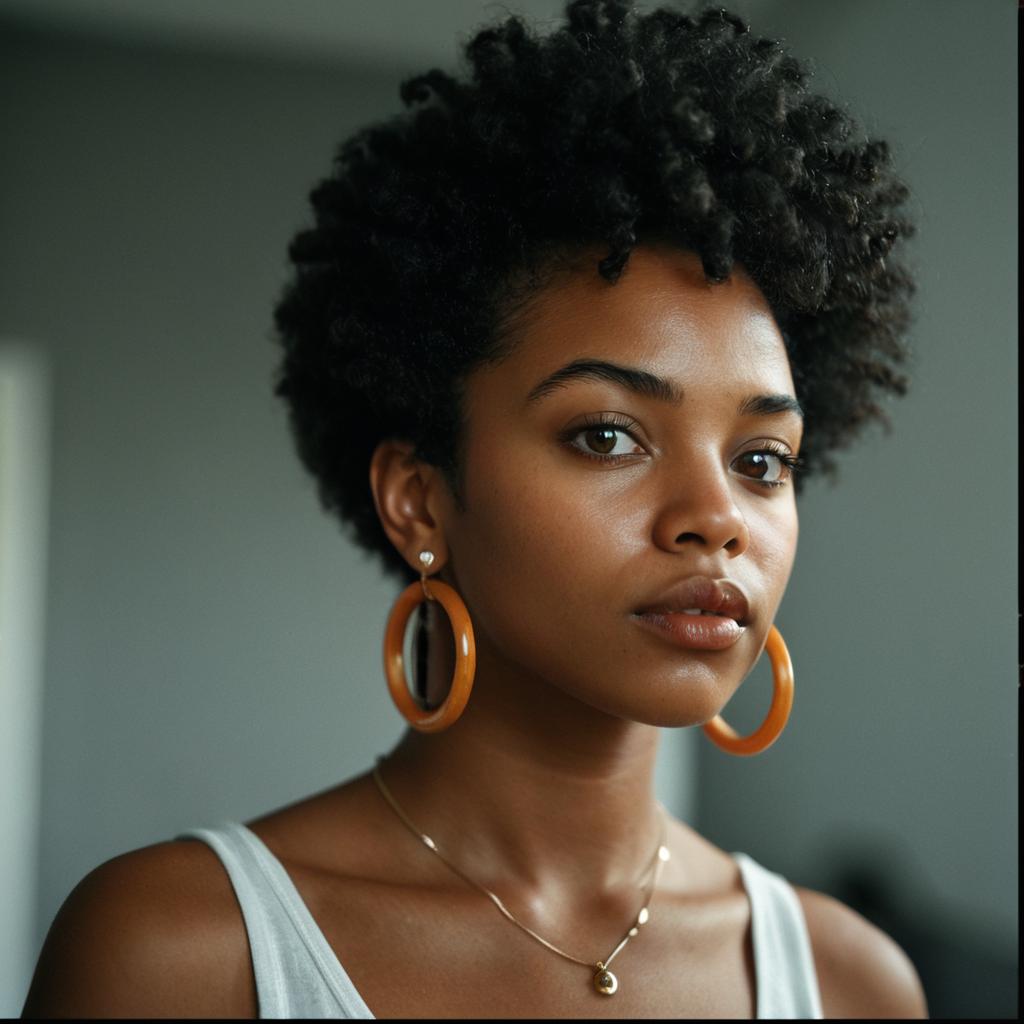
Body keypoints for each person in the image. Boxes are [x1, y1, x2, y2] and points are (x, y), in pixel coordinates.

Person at [22, 0, 928, 1017]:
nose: (715, 516)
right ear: (418, 499)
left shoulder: (853, 982)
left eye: (762, 458)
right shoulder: (178, 954)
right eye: (607, 435)